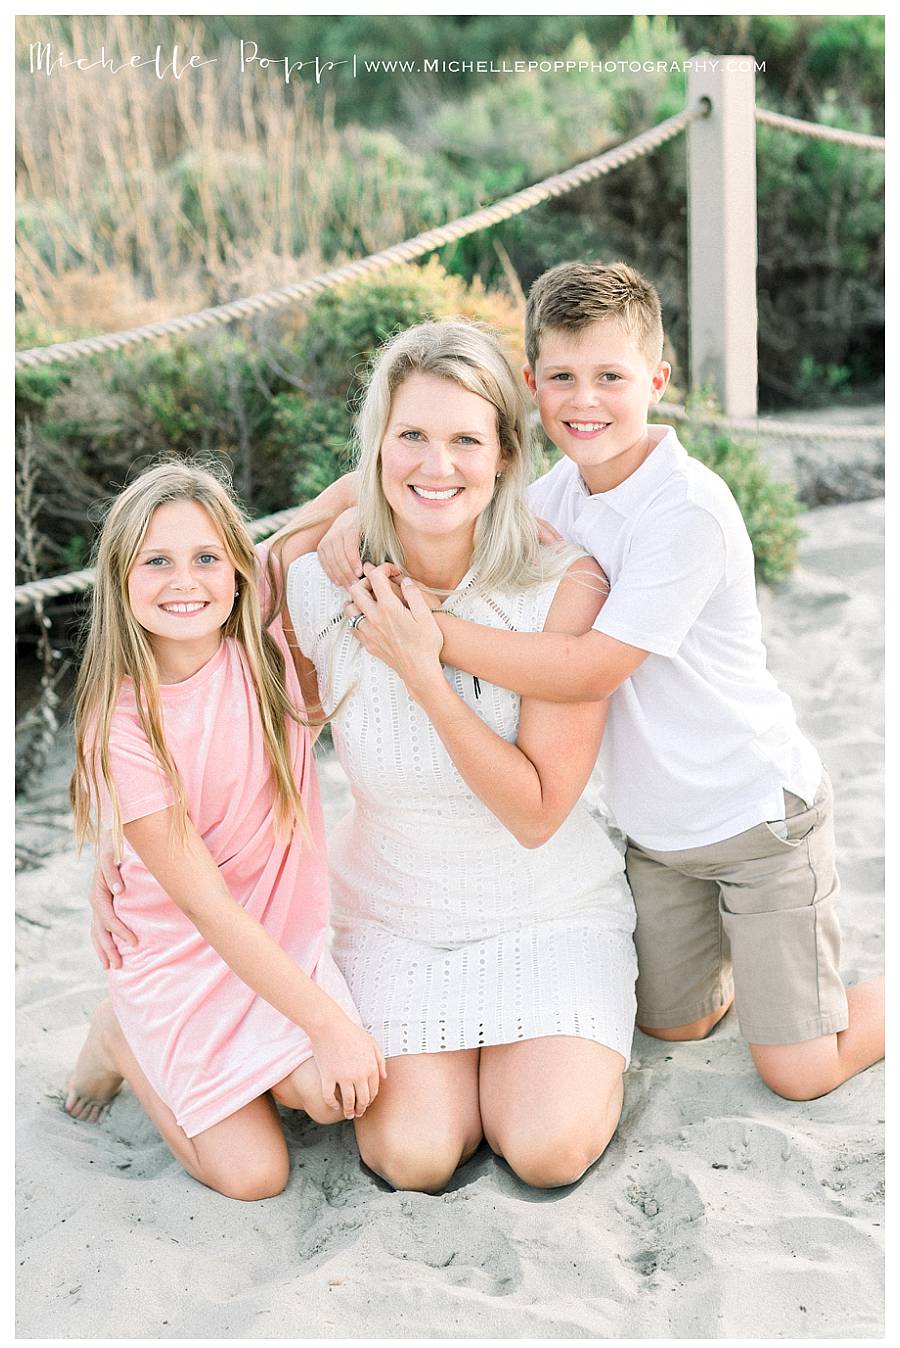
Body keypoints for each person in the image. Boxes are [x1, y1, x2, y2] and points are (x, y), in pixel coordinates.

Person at [325, 261, 884, 1104]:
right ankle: (767, 964)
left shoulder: (684, 511)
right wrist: (329, 519)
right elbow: (421, 469)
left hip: (755, 819)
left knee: (799, 1070)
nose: (585, 400)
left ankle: (807, 973)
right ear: (532, 386)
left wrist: (428, 640)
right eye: (562, 378)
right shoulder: (562, 492)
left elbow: (590, 669)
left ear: (656, 381)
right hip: (655, 835)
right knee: (674, 1024)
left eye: (611, 378)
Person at [283, 319, 638, 1193]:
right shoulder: (316, 585)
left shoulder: (566, 585)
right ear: (375, 448)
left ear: (507, 456)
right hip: (396, 918)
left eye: (464, 440)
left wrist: (424, 666)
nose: (434, 466)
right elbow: (239, 726)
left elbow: (536, 812)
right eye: (411, 435)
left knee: (547, 1149)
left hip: (546, 910)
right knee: (414, 1156)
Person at [65, 462, 385, 1201]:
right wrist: (332, 1027)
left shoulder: (260, 624)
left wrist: (341, 525)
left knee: (333, 1096)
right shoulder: (119, 725)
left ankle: (258, 1066)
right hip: (186, 953)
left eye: (207, 557)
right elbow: (207, 908)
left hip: (281, 937)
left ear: (240, 569)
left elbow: (358, 485)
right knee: (254, 1177)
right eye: (157, 561)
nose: (187, 581)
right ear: (120, 577)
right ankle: (121, 1035)